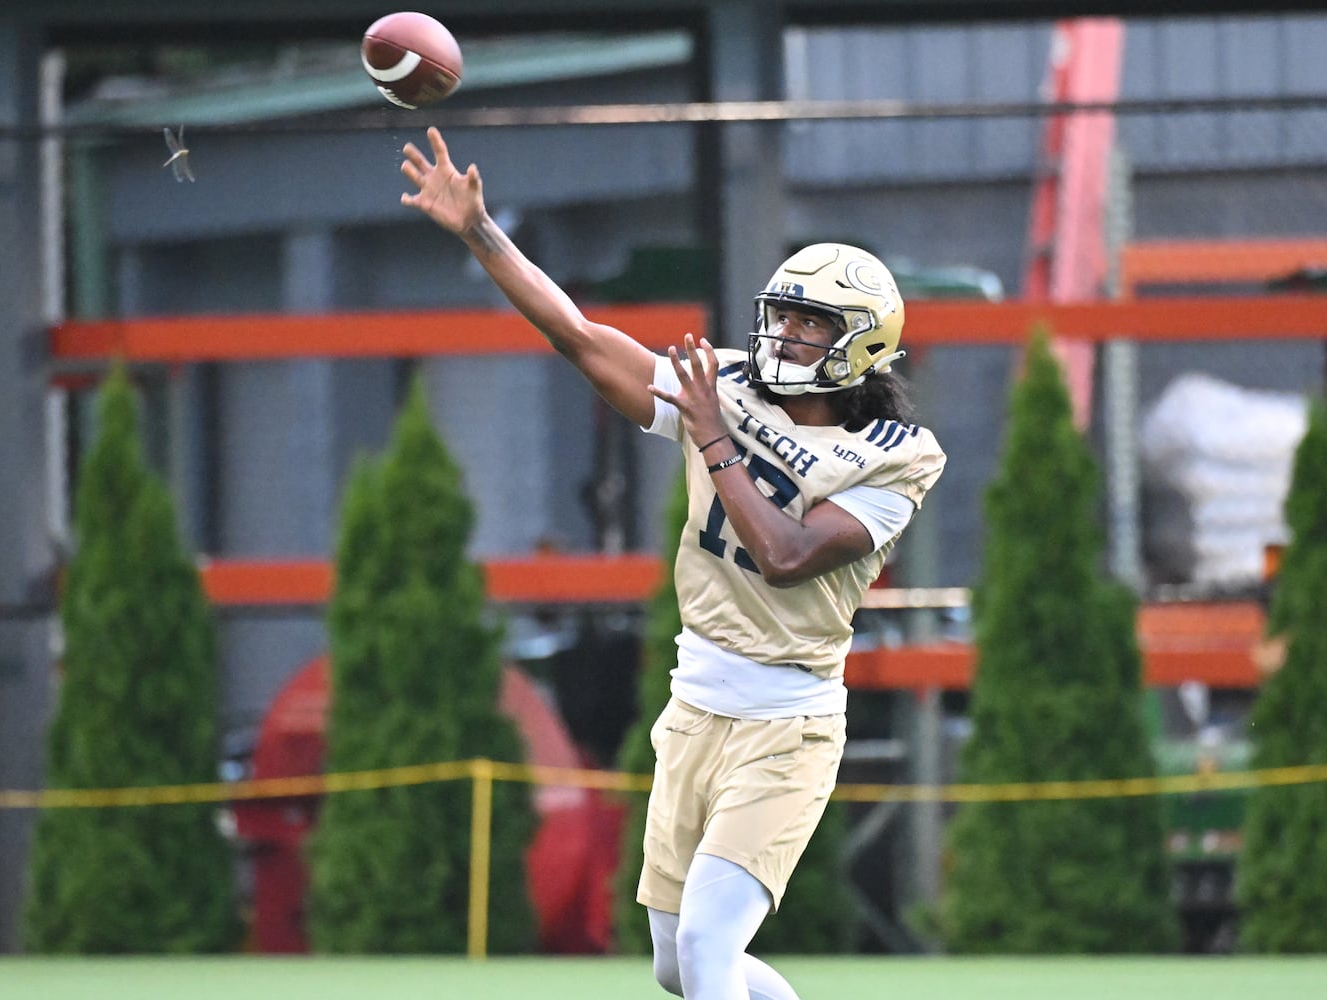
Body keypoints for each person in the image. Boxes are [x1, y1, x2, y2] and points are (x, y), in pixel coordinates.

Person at [400, 126, 945, 1000]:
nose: (790, 335)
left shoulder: (895, 453)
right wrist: (479, 231)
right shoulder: (722, 385)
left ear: (861, 345)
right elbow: (580, 338)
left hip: (786, 724)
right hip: (695, 707)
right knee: (676, 965)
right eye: (786, 314)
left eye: (814, 323)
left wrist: (713, 439)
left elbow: (787, 553)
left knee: (703, 949)